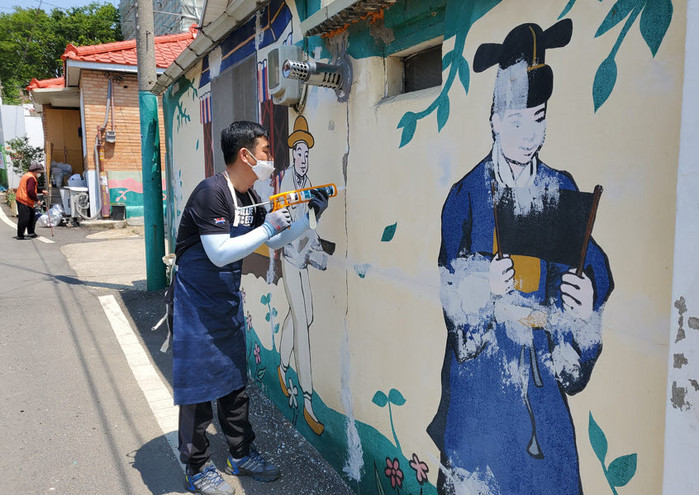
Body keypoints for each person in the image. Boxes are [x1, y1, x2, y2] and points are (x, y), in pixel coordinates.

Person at [427, 20, 614, 494]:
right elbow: (450, 296)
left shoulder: (559, 187)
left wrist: (585, 300)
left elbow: (592, 264)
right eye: (516, 121)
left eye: (539, 118)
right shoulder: (466, 197)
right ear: (494, 119)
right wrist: (481, 286)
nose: (530, 135)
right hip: (481, 395)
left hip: (541, 386)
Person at [172, 121, 330, 495]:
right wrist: (269, 226)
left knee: (233, 384)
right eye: (265, 150)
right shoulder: (211, 193)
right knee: (198, 391)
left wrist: (310, 216)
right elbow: (218, 252)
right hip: (194, 306)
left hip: (225, 303)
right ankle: (196, 467)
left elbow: (275, 240)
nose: (271, 157)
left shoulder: (249, 197)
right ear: (245, 155)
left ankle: (240, 454)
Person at [277, 116, 328, 435]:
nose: (303, 157)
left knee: (305, 316)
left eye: (306, 152)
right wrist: (313, 215)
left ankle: (282, 367)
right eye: (299, 151)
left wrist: (318, 244)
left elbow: (310, 227)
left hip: (303, 259)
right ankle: (308, 401)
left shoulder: (308, 183)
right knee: (301, 325)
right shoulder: (286, 184)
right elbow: (290, 226)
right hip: (289, 258)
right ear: (292, 154)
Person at [14, 162, 47, 240]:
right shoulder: (31, 178)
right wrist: (37, 200)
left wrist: (41, 191)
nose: (39, 174)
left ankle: (31, 233)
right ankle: (20, 235)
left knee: (32, 217)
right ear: (35, 171)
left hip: (24, 199)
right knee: (24, 218)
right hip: (24, 200)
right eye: (39, 172)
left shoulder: (27, 176)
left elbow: (33, 188)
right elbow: (30, 191)